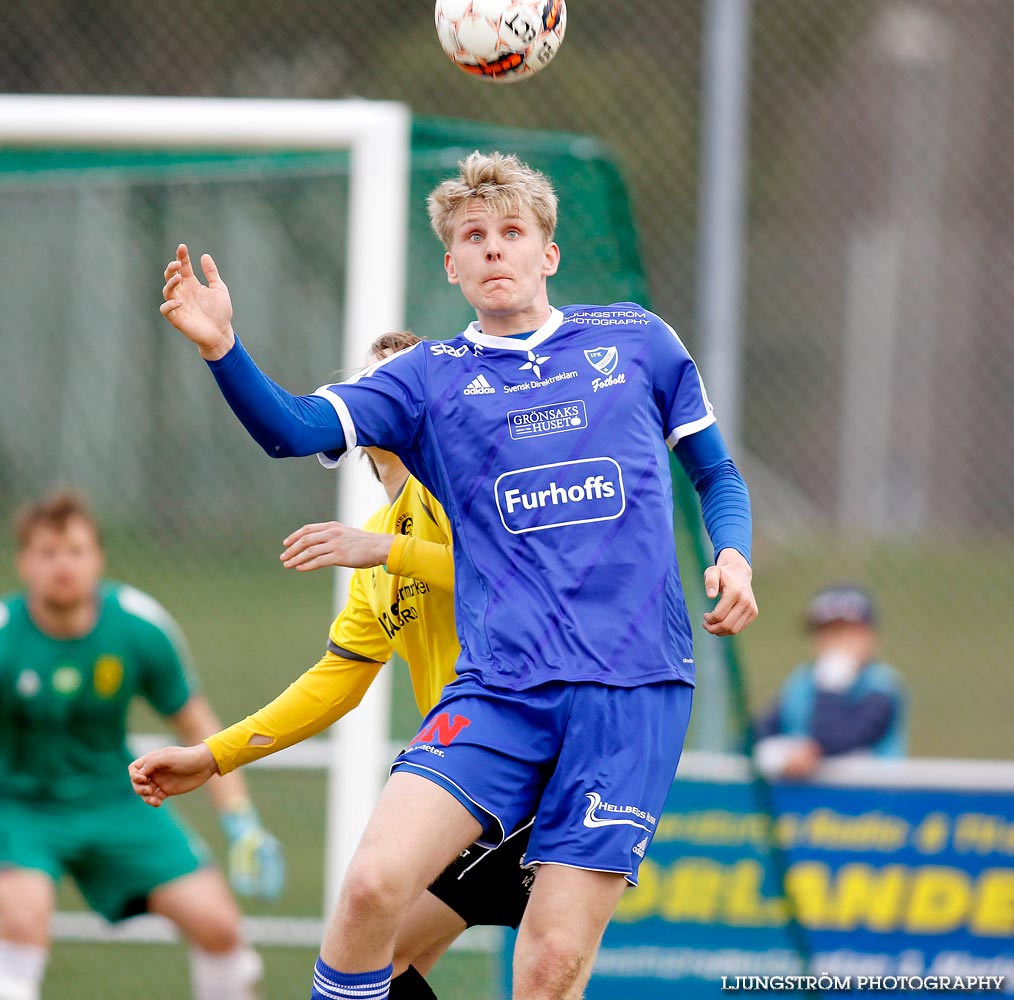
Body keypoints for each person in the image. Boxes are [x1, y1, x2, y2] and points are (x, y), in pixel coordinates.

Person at [154, 150, 758, 1000]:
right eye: (473, 237)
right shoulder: (429, 378)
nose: (494, 249)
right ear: (452, 264)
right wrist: (224, 347)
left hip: (633, 696)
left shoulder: (637, 342)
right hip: (499, 695)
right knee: (369, 891)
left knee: (549, 964)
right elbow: (292, 429)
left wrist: (733, 552)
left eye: (512, 233)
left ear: (548, 252)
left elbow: (717, 475)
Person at [131, 331, 535, 1000]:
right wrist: (214, 756)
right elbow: (333, 685)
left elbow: (520, 576)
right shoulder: (378, 545)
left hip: (522, 772)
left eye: (400, 379)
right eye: (375, 380)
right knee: (382, 966)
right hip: (473, 784)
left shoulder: (464, 491)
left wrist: (387, 550)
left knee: (366, 949)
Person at [0, 490, 284, 1000]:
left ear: (99, 558)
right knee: (21, 926)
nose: (62, 565)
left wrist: (241, 823)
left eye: (75, 551)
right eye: (47, 553)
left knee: (219, 925)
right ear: (23, 562)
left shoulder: (138, 626)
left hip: (115, 801)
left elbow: (199, 727)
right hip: (21, 808)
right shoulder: (3, 634)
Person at [753, 584, 907, 780]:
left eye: (844, 631)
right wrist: (781, 758)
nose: (834, 642)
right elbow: (754, 738)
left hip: (870, 801)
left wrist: (831, 681)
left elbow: (833, 740)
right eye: (826, 631)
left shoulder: (882, 687)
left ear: (869, 636)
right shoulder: (801, 683)